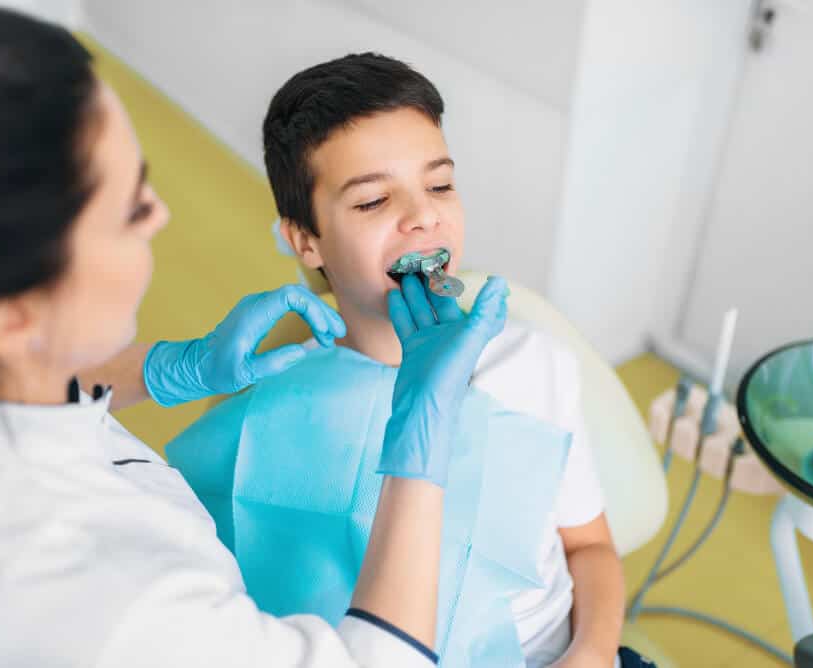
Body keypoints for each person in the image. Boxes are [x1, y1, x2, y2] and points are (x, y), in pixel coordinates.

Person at [0, 4, 509, 667]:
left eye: (440, 183)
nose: (162, 215)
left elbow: (8, 394)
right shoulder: (94, 602)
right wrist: (419, 439)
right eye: (131, 209)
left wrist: (173, 367)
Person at [167, 54, 642, 667]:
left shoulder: (533, 366)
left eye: (439, 184)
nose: (424, 215)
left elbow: (591, 550)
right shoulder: (274, 405)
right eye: (372, 202)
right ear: (305, 241)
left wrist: (593, 653)